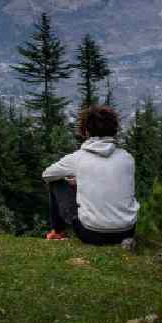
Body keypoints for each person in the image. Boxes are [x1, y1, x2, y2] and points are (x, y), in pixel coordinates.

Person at [41, 105, 138, 244]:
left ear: (86, 131)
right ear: (114, 130)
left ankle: (57, 232)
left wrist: (76, 181)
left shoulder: (78, 158)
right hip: (127, 231)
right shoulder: (127, 158)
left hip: (91, 234)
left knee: (56, 182)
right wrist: (82, 180)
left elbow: (47, 175)